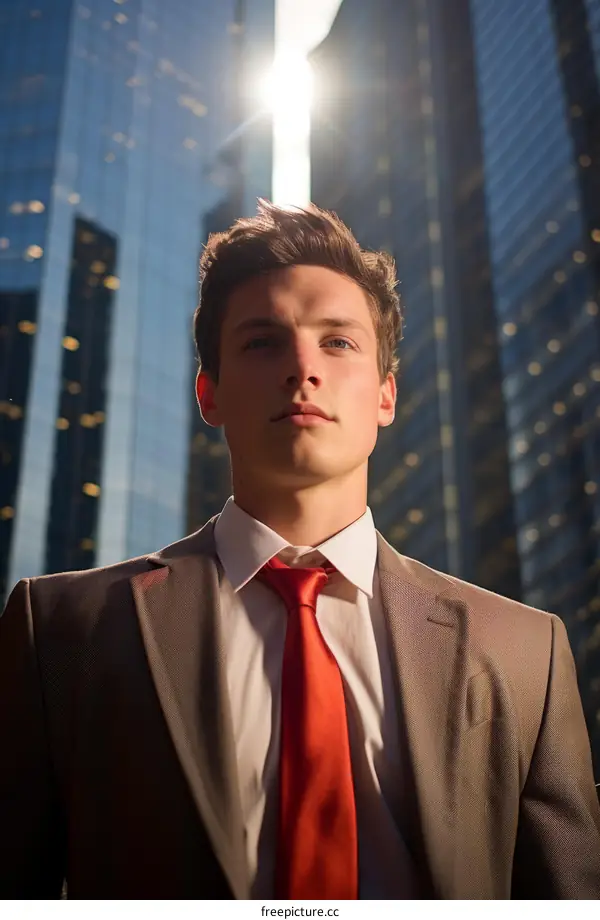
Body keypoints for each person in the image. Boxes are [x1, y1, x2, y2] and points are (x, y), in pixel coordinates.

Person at [1, 201, 599, 899]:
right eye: (262, 342)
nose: (301, 369)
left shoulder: (525, 650)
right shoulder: (62, 629)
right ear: (209, 392)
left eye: (338, 342)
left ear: (385, 394)